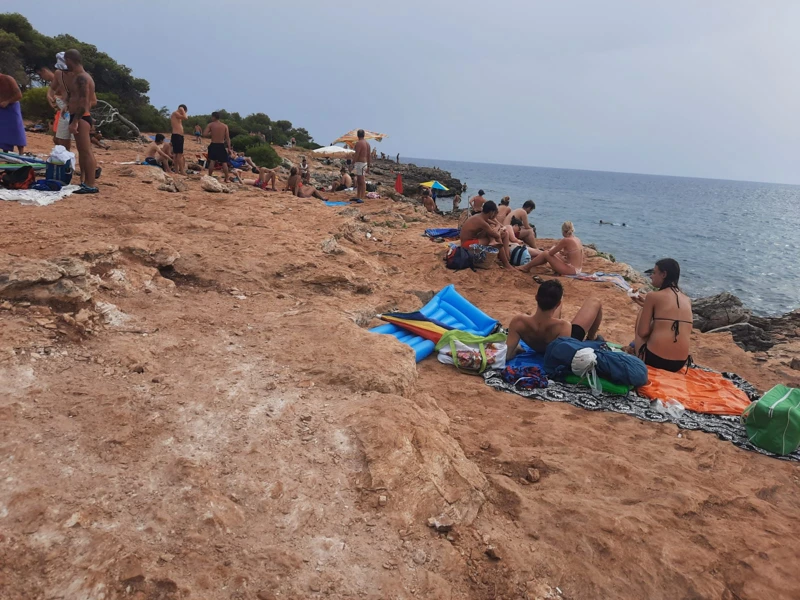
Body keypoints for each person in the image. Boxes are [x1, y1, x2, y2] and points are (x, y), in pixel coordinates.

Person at [506, 280, 603, 356]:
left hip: (538, 340)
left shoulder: (518, 322)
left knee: (553, 299)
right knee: (595, 301)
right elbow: (561, 356)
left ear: (536, 297)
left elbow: (506, 354)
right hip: (559, 342)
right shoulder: (564, 326)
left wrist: (516, 349)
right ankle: (591, 338)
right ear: (558, 304)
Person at [628, 258, 692, 372]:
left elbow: (642, 333)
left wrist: (646, 307)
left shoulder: (653, 296)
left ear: (664, 274)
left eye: (654, 272)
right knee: (663, 322)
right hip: (679, 364)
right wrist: (647, 305)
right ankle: (634, 346)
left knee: (642, 314)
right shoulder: (687, 300)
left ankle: (634, 347)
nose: (651, 276)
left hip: (655, 360)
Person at [64, 49, 98, 194]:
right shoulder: (82, 77)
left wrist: (75, 121)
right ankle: (86, 182)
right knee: (83, 151)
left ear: (69, 60)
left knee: (86, 151)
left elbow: (84, 102)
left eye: (66, 61)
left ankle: (90, 184)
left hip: (81, 117)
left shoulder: (82, 78)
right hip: (80, 116)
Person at [459, 201, 512, 268]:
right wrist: (498, 230)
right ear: (491, 212)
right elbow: (494, 234)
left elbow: (495, 224)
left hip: (467, 241)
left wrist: (497, 226)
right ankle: (506, 263)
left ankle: (506, 259)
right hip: (467, 244)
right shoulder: (481, 221)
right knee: (498, 237)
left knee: (503, 234)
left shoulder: (480, 216)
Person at [0, 73, 26, 154]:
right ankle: (5, 153)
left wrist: (7, 101)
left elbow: (19, 95)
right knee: (3, 131)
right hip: (2, 108)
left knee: (17, 129)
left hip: (12, 106)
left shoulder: (8, 79)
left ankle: (21, 152)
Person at [204, 112, 231, 182]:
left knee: (212, 161)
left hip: (214, 144)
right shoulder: (225, 126)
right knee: (224, 162)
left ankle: (210, 176)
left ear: (214, 117)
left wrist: (212, 133)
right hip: (221, 145)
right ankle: (227, 178)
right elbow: (228, 138)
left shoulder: (211, 125)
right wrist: (229, 148)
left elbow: (204, 134)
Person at [170, 104, 188, 175]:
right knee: (179, 155)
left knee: (177, 154)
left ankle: (177, 170)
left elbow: (184, 117)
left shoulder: (177, 115)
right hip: (177, 136)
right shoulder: (175, 113)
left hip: (178, 136)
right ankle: (181, 171)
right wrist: (182, 110)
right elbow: (186, 117)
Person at [353, 129, 370, 199]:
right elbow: (369, 155)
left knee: (361, 181)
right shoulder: (367, 144)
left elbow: (357, 154)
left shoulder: (359, 143)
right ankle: (359, 196)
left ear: (357, 135)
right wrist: (368, 166)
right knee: (360, 180)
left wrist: (352, 163)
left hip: (360, 163)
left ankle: (361, 197)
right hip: (365, 163)